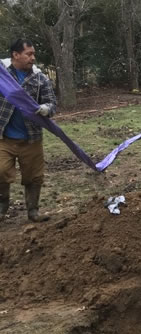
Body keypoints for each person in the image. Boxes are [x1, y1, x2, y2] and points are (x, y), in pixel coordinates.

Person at [0, 38, 57, 222]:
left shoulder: (40, 79)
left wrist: (46, 109)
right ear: (15, 55)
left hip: (31, 138)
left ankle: (33, 211)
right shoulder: (3, 76)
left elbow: (52, 103)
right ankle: (2, 208)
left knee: (34, 176)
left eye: (33, 54)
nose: (33, 58)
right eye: (29, 54)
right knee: (0, 171)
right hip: (4, 137)